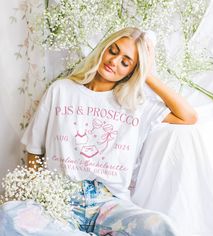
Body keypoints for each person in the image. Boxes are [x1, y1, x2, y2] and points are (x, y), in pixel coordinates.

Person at [0, 27, 197, 236]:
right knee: (8, 215)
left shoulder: (135, 105)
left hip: (109, 204)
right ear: (104, 49)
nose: (114, 61)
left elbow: (188, 116)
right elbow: (34, 150)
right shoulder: (61, 90)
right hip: (60, 199)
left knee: (159, 226)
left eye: (125, 62)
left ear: (132, 70)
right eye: (113, 51)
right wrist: (39, 194)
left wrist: (147, 74)